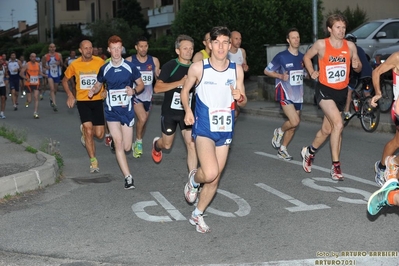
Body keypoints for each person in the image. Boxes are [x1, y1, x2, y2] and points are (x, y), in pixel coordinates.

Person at [181, 26, 247, 233]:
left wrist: (240, 98)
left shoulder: (236, 70)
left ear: (230, 45)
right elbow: (185, 92)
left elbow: (243, 100)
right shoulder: (199, 68)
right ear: (209, 45)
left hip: (226, 128)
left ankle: (197, 214)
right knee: (209, 172)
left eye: (225, 43)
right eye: (216, 42)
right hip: (204, 126)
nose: (221, 47)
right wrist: (187, 111)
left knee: (215, 177)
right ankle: (193, 180)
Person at [302, 13, 362, 181]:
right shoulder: (321, 44)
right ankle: (336, 167)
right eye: (338, 27)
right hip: (324, 90)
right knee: (338, 124)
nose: (341, 30)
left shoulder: (350, 46)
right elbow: (306, 57)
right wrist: (312, 71)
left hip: (341, 92)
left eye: (343, 27)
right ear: (329, 29)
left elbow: (357, 66)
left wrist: (357, 66)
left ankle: (310, 151)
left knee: (327, 130)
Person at [88, 35, 144, 189]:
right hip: (112, 111)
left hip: (126, 111)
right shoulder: (104, 68)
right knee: (119, 144)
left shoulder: (130, 67)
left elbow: (141, 85)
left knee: (127, 147)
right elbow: (98, 84)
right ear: (109, 49)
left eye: (119, 48)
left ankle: (114, 141)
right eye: (113, 48)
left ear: (122, 49)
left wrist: (133, 91)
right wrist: (93, 90)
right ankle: (128, 177)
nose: (116, 51)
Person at [151, 35, 197, 181]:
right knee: (167, 144)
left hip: (188, 112)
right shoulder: (170, 66)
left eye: (191, 49)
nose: (188, 51)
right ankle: (157, 145)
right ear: (177, 50)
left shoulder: (196, 68)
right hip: (170, 112)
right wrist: (179, 83)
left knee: (191, 144)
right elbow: (157, 88)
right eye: (185, 48)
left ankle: (193, 181)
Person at [62, 40, 106, 173]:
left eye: (90, 48)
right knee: (88, 130)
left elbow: (108, 77)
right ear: (80, 50)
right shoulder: (74, 64)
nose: (88, 50)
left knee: (99, 134)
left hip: (98, 100)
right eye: (85, 48)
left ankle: (86, 133)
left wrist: (106, 90)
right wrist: (70, 95)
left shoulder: (100, 62)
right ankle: (93, 161)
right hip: (82, 101)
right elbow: (65, 80)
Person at [264, 28, 305, 161]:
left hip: (298, 94)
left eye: (298, 37)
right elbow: (267, 71)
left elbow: (303, 74)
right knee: (294, 121)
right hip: (285, 92)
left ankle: (283, 149)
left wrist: (312, 74)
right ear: (288, 40)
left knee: (293, 126)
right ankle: (279, 131)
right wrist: (280, 75)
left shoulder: (302, 57)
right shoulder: (281, 56)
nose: (296, 40)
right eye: (293, 37)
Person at [125, 36, 161, 158]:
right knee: (142, 118)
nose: (143, 49)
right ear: (136, 47)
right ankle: (139, 142)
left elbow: (157, 79)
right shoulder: (129, 60)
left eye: (145, 46)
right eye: (141, 46)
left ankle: (137, 140)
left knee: (143, 121)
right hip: (136, 95)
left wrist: (159, 75)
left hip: (148, 97)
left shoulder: (154, 60)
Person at [371, 51, 399, 186]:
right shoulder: (397, 57)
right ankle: (389, 168)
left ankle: (383, 168)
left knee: (397, 142)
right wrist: (378, 93)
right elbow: (376, 72)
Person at [343, 33, 373, 119]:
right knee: (367, 93)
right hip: (369, 73)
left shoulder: (350, 50)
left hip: (359, 74)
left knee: (349, 91)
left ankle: (347, 112)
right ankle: (371, 111)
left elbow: (349, 65)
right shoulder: (360, 49)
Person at [20, 53, 45, 118]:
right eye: (32, 57)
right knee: (30, 100)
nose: (34, 58)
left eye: (35, 57)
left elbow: (39, 72)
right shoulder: (27, 65)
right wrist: (26, 78)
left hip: (36, 83)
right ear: (30, 58)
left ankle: (35, 112)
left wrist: (44, 75)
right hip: (29, 84)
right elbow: (21, 73)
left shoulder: (38, 64)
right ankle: (27, 102)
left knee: (36, 97)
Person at [42, 43, 63, 112]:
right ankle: (54, 104)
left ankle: (51, 98)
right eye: (51, 47)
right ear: (49, 48)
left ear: (55, 48)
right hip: (50, 74)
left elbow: (62, 64)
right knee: (52, 88)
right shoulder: (46, 56)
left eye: (53, 47)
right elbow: (43, 65)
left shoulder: (59, 55)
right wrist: (46, 67)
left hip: (57, 73)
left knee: (55, 90)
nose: (52, 48)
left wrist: (59, 63)